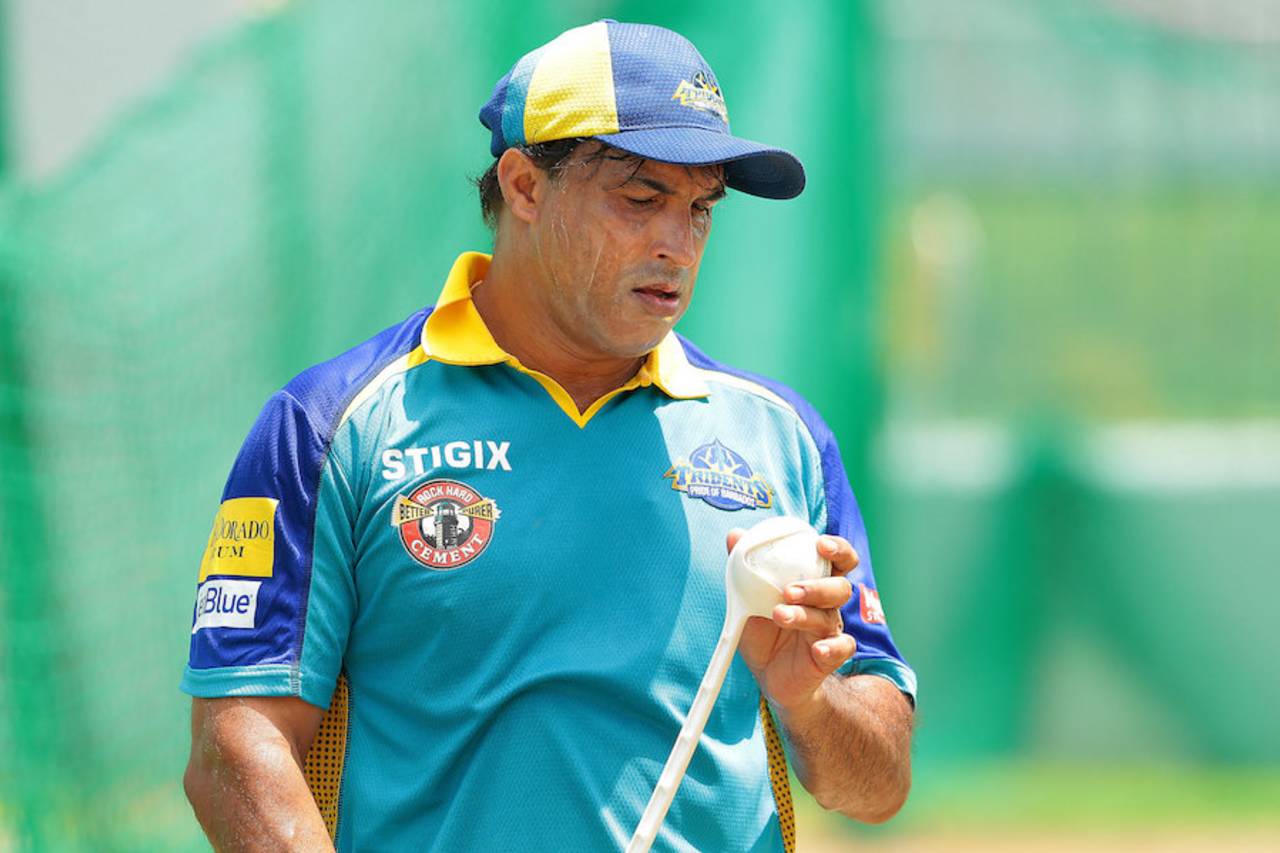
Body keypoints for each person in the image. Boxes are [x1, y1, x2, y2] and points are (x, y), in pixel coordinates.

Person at [182, 20, 915, 852]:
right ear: (525, 185)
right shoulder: (332, 425)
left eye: (700, 208)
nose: (677, 244)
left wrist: (808, 700)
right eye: (641, 199)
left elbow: (879, 785)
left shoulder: (782, 436)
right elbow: (235, 750)